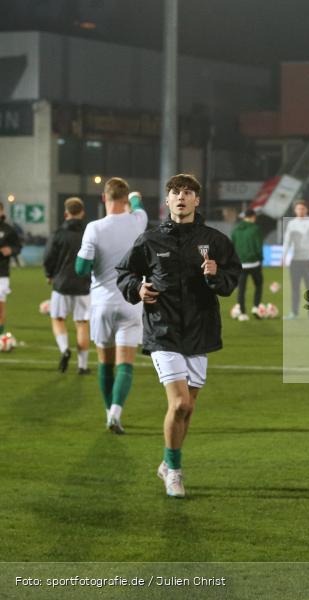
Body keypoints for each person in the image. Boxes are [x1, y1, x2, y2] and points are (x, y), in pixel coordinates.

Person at [117, 173, 240, 498]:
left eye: (187, 192)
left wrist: (217, 276)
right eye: (175, 192)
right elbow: (124, 272)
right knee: (179, 401)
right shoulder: (150, 240)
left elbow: (231, 278)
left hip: (200, 331)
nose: (181, 197)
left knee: (188, 408)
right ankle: (174, 469)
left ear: (197, 200)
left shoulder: (214, 240)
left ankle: (166, 462)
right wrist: (136, 288)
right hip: (163, 330)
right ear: (168, 200)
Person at [76, 179, 147, 434]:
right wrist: (135, 198)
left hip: (102, 304)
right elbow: (138, 204)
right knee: (125, 364)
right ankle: (116, 412)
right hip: (130, 303)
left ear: (104, 198)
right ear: (125, 200)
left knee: (105, 364)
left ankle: (108, 413)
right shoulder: (138, 220)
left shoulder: (94, 228)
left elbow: (81, 269)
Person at [43, 197, 91, 374]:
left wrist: (49, 274)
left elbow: (48, 257)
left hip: (61, 284)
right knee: (82, 323)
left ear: (66, 213)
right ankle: (83, 366)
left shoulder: (58, 233)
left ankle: (65, 350)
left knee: (58, 319)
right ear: (82, 213)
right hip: (84, 284)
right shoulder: (89, 232)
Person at [282, 199, 309, 320]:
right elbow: (287, 241)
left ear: (306, 209)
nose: (300, 210)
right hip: (295, 261)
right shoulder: (292, 224)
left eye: (302, 208)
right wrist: (283, 256)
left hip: (308, 260)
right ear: (295, 210)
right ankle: (294, 313)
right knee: (295, 288)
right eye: (298, 208)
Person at [231, 208, 264, 321]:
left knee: (241, 289)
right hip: (254, 263)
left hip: (241, 264)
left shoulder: (235, 230)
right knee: (258, 285)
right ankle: (255, 307)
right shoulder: (255, 229)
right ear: (253, 217)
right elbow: (258, 246)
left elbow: (232, 247)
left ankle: (242, 313)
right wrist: (260, 260)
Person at [0, 202, 23, 336]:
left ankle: (0, 336)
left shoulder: (8, 230)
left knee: (0, 307)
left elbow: (18, 247)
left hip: (1, 273)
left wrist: (11, 250)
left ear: (2, 212)